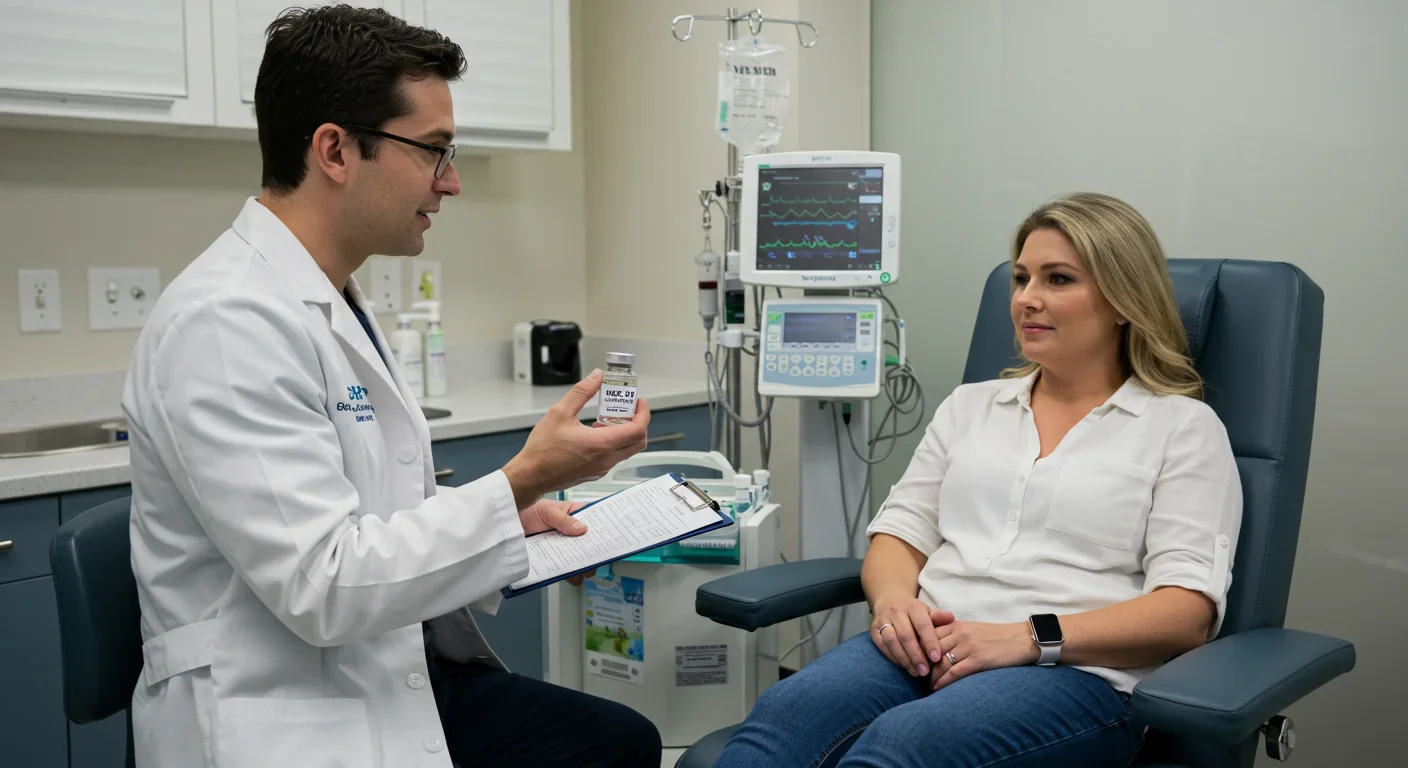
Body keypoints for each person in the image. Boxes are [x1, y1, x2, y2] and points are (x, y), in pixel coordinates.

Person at [121, 7, 661, 767]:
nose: (453, 182)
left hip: (373, 669)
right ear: (335, 150)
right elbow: (324, 583)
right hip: (276, 708)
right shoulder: (224, 321)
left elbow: (358, 517)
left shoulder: (331, 297)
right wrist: (523, 476)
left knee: (619, 742)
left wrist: (512, 508)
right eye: (434, 151)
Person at [713, 192, 1243, 767]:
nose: (1026, 300)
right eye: (1021, 279)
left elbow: (1185, 614)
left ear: (1122, 300)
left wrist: (1025, 637)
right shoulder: (971, 407)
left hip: (1072, 674)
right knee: (782, 719)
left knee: (901, 750)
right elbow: (901, 532)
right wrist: (894, 604)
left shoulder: (1181, 428)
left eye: (1058, 279)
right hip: (927, 643)